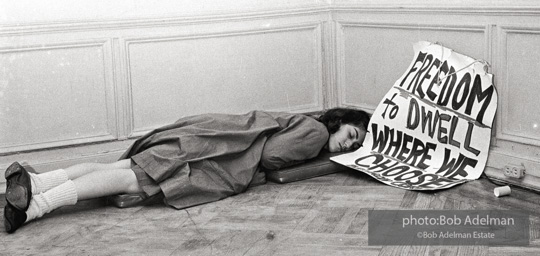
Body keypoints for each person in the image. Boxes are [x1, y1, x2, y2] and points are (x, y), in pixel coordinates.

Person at [3, 108, 370, 233]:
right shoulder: (316, 132)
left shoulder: (303, 120)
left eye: (355, 145)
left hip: (206, 133)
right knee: (133, 176)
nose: (348, 145)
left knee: (118, 166)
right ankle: (37, 206)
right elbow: (272, 156)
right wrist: (309, 157)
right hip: (216, 152)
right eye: (351, 134)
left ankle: (36, 182)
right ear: (338, 122)